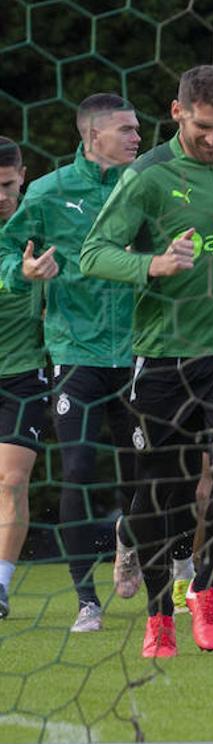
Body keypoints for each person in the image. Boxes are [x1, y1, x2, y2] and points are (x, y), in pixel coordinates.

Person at [81, 64, 213, 657]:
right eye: (204, 127)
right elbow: (94, 254)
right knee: (163, 498)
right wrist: (152, 264)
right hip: (161, 361)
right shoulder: (147, 177)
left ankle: (204, 589)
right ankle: (159, 617)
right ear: (177, 112)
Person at [0, 96, 141, 632]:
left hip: (135, 352)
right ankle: (86, 599)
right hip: (73, 353)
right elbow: (6, 252)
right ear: (92, 137)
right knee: (78, 473)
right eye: (126, 130)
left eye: (138, 130)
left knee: (143, 478)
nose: (136, 138)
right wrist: (24, 271)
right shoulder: (49, 192)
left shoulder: (144, 187)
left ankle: (131, 539)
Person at [0, 136, 43, 622]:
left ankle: (1, 584)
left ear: (23, 175)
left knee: (12, 480)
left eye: (9, 185)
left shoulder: (38, 223)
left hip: (24, 372)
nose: (2, 196)